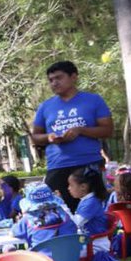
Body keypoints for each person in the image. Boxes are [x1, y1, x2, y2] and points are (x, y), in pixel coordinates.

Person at [30, 60, 114, 212]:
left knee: (94, 211)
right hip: (57, 166)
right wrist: (49, 137)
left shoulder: (93, 100)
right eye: (51, 80)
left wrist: (81, 130)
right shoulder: (45, 106)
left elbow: (108, 130)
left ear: (74, 77)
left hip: (89, 164)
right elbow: (35, 137)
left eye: (59, 78)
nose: (54, 83)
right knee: (54, 211)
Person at [11, 183, 78, 250]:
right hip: (70, 259)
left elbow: (13, 233)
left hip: (41, 259)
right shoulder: (66, 216)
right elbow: (75, 229)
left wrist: (22, 218)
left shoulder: (27, 219)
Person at [69, 166, 112, 252]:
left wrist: (62, 205)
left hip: (96, 245)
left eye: (71, 185)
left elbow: (75, 222)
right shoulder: (86, 200)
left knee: (65, 252)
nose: (69, 188)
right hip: (88, 241)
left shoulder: (91, 202)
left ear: (83, 187)